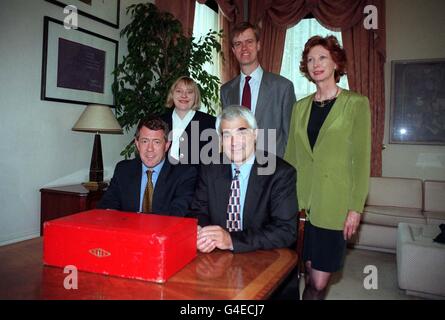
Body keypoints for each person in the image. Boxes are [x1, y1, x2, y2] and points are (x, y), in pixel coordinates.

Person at [284, 35, 371, 300]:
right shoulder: (299, 107)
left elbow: (361, 160)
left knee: (319, 283)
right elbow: (291, 158)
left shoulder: (356, 104)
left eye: (322, 57)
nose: (316, 64)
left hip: (333, 205)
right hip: (299, 205)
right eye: (310, 59)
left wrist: (355, 208)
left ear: (335, 62)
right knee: (301, 274)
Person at [189, 105, 297, 253]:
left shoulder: (280, 173)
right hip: (215, 256)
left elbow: (285, 231)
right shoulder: (210, 168)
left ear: (255, 134)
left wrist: (231, 240)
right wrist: (204, 233)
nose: (234, 142)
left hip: (262, 258)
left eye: (241, 132)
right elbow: (197, 211)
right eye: (227, 135)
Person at [220, 22, 296, 158]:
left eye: (249, 42)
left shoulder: (283, 87)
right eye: (238, 44)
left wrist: (280, 169)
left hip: (272, 167)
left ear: (258, 45)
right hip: (238, 166)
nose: (244, 48)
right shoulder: (226, 91)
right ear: (233, 50)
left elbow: (291, 137)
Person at [97, 117, 198, 216]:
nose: (150, 149)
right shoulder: (123, 170)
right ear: (137, 144)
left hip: (163, 232)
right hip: (127, 230)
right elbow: (107, 204)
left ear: (167, 145)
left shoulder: (184, 173)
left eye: (156, 142)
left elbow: (178, 213)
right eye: (145, 141)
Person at [161, 76, 217, 165]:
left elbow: (211, 162)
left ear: (195, 96)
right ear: (172, 94)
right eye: (179, 91)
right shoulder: (159, 122)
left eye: (189, 92)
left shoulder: (210, 123)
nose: (184, 95)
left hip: (197, 177)